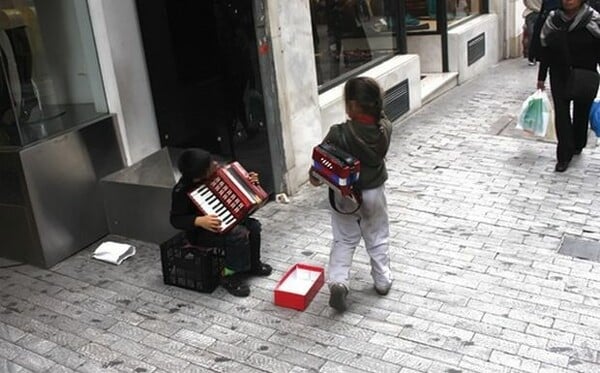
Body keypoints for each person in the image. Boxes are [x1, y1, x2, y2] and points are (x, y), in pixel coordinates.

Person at [309, 77, 393, 312]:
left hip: (346, 196)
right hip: (375, 192)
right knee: (377, 235)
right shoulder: (385, 129)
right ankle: (383, 280)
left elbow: (318, 165)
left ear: (354, 105)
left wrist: (314, 177)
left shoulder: (338, 133)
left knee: (344, 239)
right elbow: (381, 115)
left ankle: (338, 281)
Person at [170, 148, 272, 297]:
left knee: (254, 226)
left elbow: (243, 194)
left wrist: (252, 183)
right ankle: (229, 275)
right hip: (202, 234)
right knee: (238, 234)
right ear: (200, 176)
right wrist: (198, 220)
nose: (216, 163)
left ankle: (253, 264)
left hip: (229, 221)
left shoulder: (220, 173)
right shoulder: (181, 192)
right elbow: (175, 220)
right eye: (210, 165)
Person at [536, 0, 600, 172]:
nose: (568, 0)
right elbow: (546, 50)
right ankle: (564, 154)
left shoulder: (593, 19)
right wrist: (541, 77)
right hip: (559, 75)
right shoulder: (553, 20)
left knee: (581, 112)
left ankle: (578, 143)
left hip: (585, 74)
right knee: (562, 114)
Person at [523, 0, 543, 65]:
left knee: (535, 35)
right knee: (532, 36)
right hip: (531, 13)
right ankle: (532, 57)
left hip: (539, 13)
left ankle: (535, 56)